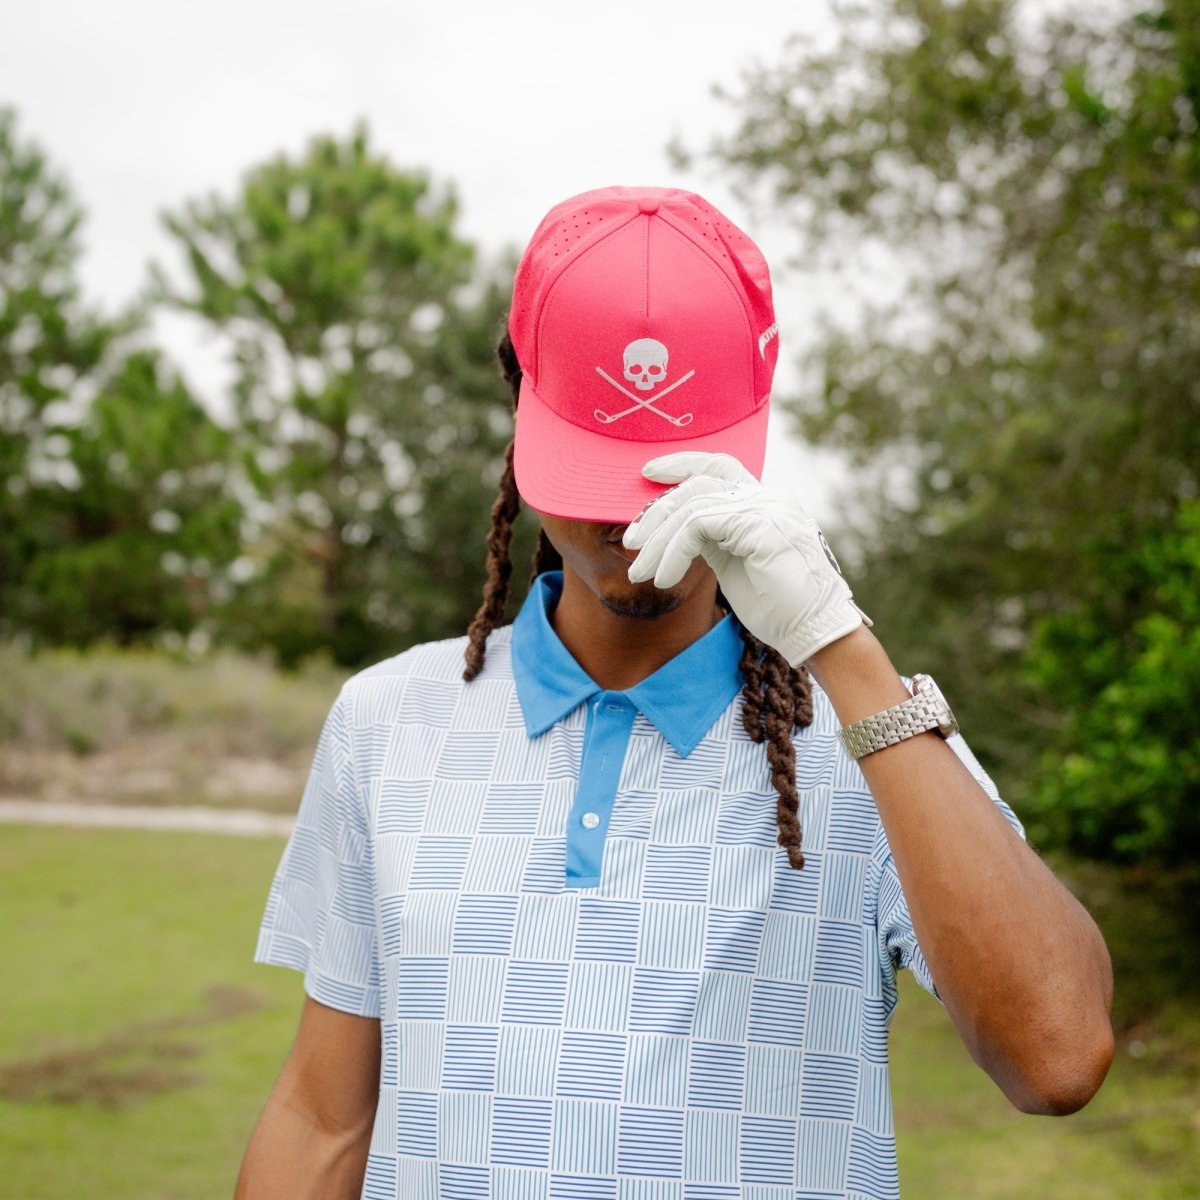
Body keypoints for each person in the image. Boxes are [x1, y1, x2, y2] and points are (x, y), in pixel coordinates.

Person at [236, 187, 1113, 1200]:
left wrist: (840, 642)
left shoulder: (869, 731)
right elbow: (321, 1118)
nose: (628, 523)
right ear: (519, 397)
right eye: (597, 465)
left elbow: (1058, 1057)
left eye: (667, 469)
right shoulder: (385, 721)